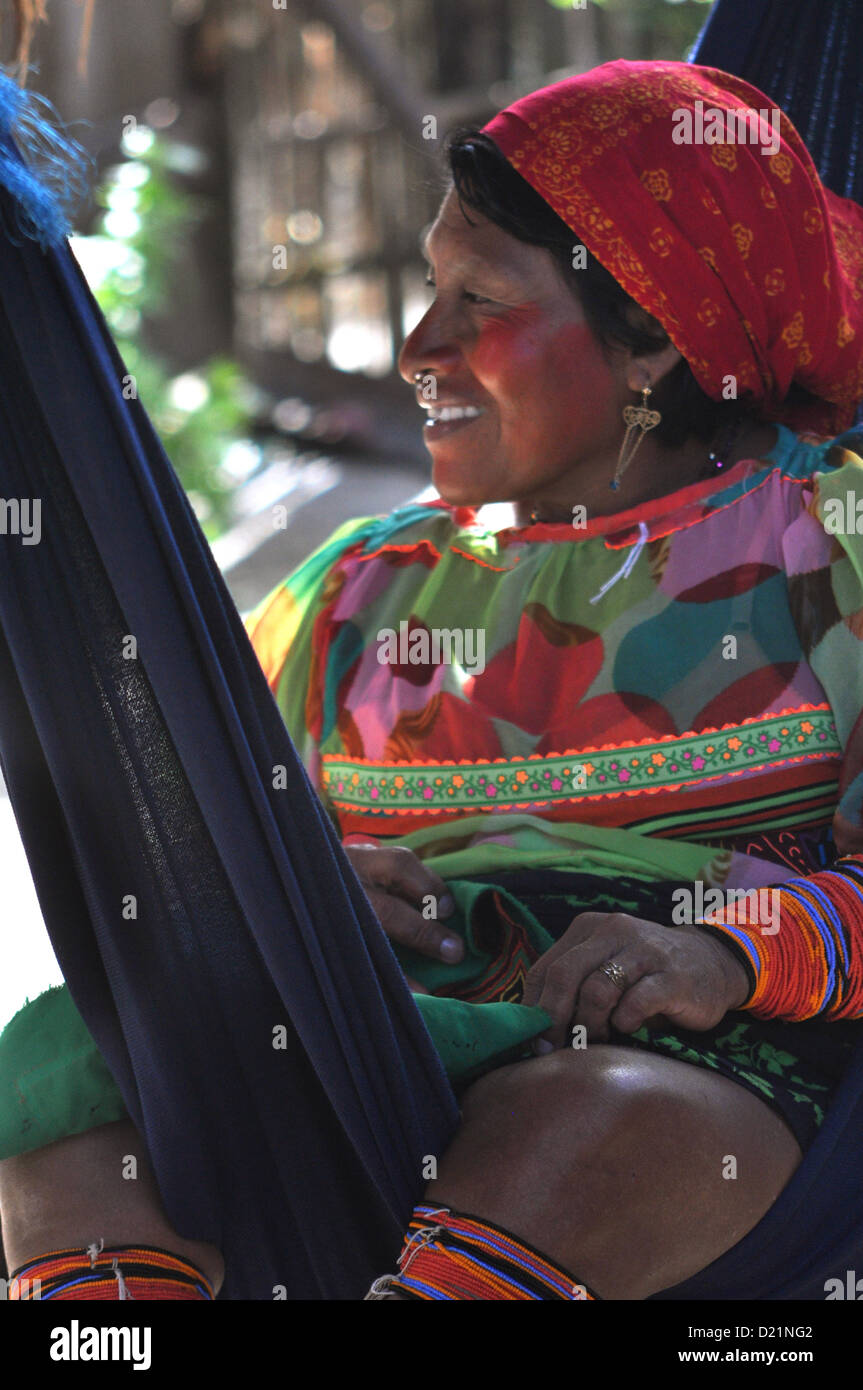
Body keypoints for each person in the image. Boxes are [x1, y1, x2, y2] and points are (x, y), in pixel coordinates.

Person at [4, 57, 863, 1301]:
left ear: (655, 347)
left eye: (479, 299)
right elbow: (230, 854)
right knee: (83, 1136)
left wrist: (728, 951)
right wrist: (303, 889)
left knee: (576, 1121)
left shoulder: (826, 550)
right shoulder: (358, 589)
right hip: (370, 1055)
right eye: (426, 289)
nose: (418, 347)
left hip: (697, 1062)